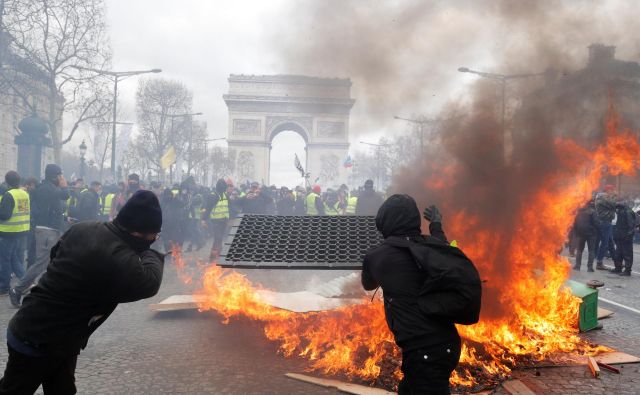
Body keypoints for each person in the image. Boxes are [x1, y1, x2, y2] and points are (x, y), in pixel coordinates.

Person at [0, 190, 164, 394]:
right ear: (138, 234)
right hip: (37, 340)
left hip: (59, 338)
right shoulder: (118, 257)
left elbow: (55, 254)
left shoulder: (83, 228)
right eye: (154, 236)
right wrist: (153, 252)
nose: (154, 240)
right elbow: (150, 283)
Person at [361, 195, 460, 394]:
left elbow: (368, 284)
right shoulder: (434, 247)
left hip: (424, 351)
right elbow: (443, 244)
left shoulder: (378, 256)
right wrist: (436, 223)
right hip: (447, 343)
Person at [9, 164, 69, 308]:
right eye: (60, 175)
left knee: (53, 261)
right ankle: (18, 288)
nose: (62, 177)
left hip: (48, 228)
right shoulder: (49, 189)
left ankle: (47, 291)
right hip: (48, 230)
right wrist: (64, 185)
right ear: (55, 176)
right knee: (42, 262)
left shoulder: (44, 188)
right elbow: (65, 195)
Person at [0, 171, 30, 295]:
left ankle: (4, 286)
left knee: (5, 259)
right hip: (21, 229)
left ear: (7, 181)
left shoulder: (9, 195)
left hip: (8, 231)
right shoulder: (24, 194)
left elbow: (5, 215)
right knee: (14, 258)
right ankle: (26, 282)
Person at [202, 179, 230, 260]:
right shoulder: (213, 195)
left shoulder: (225, 195)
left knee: (220, 238)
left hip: (224, 220)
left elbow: (228, 207)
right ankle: (213, 256)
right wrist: (203, 219)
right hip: (215, 221)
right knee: (218, 238)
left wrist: (228, 219)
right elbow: (208, 208)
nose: (223, 188)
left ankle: (218, 254)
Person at [572, 200, 599, 272]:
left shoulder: (579, 211)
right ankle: (590, 268)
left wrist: (576, 232)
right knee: (591, 250)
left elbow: (574, 222)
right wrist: (596, 231)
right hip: (591, 234)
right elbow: (596, 223)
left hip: (581, 233)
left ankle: (577, 266)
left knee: (579, 250)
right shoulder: (593, 212)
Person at [611, 201, 636, 276]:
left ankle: (627, 270)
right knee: (618, 253)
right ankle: (618, 268)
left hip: (625, 237)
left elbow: (631, 225)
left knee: (627, 254)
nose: (617, 210)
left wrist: (628, 235)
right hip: (619, 236)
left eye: (618, 208)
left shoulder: (627, 212)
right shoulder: (621, 211)